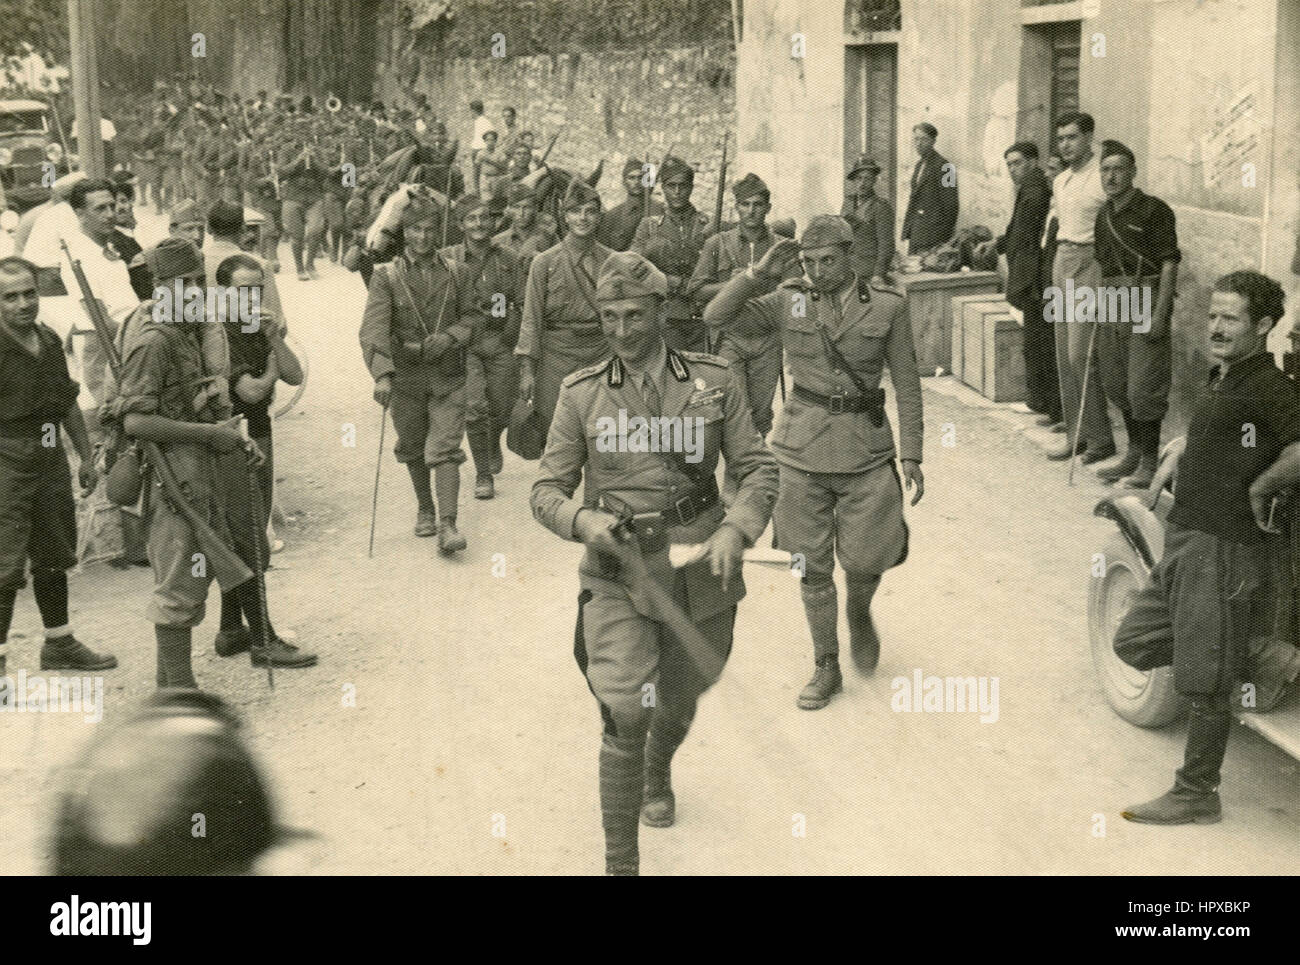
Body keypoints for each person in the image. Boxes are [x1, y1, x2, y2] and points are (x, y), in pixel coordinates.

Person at [532, 250, 778, 875]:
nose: (619, 331)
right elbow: (546, 490)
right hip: (618, 571)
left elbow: (756, 469)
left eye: (633, 316)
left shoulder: (715, 380)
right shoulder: (581, 394)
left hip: (700, 567)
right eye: (608, 317)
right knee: (624, 708)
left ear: (661, 312)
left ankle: (658, 764)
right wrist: (582, 520)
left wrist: (736, 529)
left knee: (679, 699)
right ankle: (622, 865)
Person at [704, 216, 924, 710]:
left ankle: (860, 610)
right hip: (800, 448)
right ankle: (826, 662)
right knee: (809, 563)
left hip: (866, 450)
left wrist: (911, 452)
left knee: (867, 561)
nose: (819, 271)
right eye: (809, 262)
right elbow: (716, 317)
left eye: (828, 261)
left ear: (850, 256)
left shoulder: (888, 307)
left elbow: (908, 384)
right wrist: (756, 274)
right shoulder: (791, 298)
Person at [1115, 271, 1300, 825]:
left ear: (1263, 326)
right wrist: (1181, 451)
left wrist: (1264, 484)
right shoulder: (1228, 377)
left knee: (1204, 676)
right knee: (1134, 639)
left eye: (1231, 318)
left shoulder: (1269, 386)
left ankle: (1197, 792)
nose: (1215, 327)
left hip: (1223, 549)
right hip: (1187, 540)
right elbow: (1224, 435)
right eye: (1213, 316)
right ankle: (1267, 655)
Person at [103, 238, 249, 689]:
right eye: (184, 284)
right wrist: (210, 435)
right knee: (178, 580)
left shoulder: (184, 332)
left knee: (195, 571)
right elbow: (137, 421)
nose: (195, 293)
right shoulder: (154, 341)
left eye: (198, 283)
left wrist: (230, 437)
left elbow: (190, 403)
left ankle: (174, 689)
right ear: (161, 286)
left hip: (197, 468)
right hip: (170, 477)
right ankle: (178, 691)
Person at [0, 257, 117, 677]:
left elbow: (66, 399)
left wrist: (85, 456)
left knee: (54, 552)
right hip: (7, 460)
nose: (22, 303)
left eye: (29, 293)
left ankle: (60, 643)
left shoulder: (48, 338)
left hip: (48, 454)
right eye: (9, 296)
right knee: (5, 566)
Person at [359, 196, 482, 552]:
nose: (423, 237)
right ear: (404, 233)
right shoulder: (387, 276)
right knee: (412, 445)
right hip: (406, 379)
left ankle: (448, 524)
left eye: (430, 230)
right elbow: (374, 328)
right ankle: (424, 507)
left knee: (445, 448)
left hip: (448, 375)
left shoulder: (459, 273)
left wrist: (449, 337)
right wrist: (381, 374)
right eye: (415, 230)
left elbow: (473, 318)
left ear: (439, 233)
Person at [211, 254, 315, 668]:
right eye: (244, 289)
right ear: (224, 292)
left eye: (258, 288)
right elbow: (253, 391)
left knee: (245, 532)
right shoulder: (220, 332)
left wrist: (273, 339)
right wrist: (271, 365)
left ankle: (231, 628)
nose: (253, 296)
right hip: (236, 434)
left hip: (259, 431)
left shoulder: (256, 326)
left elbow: (295, 375)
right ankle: (262, 638)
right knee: (250, 534)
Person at [1091, 139, 1179, 488]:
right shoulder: (1103, 214)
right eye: (1105, 170)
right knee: (1116, 381)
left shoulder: (1154, 210)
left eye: (1118, 170)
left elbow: (1170, 263)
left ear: (1132, 173)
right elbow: (1104, 265)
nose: (1111, 177)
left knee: (1144, 385)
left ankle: (1149, 459)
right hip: (1113, 299)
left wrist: (1160, 313)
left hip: (1145, 295)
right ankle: (1132, 451)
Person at [689, 172, 797, 441]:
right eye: (745, 204)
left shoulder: (781, 247)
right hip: (729, 338)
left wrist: (768, 282)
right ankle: (737, 476)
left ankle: (755, 471)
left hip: (767, 339)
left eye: (757, 204)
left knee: (761, 415)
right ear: (736, 207)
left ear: (768, 208)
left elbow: (795, 291)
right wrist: (734, 284)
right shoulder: (717, 244)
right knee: (735, 410)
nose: (751, 211)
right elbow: (697, 290)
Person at [440, 194, 524, 500]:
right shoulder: (447, 259)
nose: (479, 225)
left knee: (503, 405)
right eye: (471, 219)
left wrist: (510, 334)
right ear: (461, 225)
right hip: (466, 343)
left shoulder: (508, 257)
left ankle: (491, 442)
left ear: (493, 221)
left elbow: (519, 300)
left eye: (484, 218)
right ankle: (483, 473)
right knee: (475, 407)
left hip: (499, 340)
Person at [516, 180, 614, 436]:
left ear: (599, 216)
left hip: (601, 351)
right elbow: (531, 319)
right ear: (565, 216)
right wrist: (527, 371)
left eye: (590, 211)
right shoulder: (544, 262)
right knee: (557, 431)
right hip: (556, 355)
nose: (583, 218)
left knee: (602, 430)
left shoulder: (613, 261)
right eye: (575, 211)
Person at [1045, 111, 1115, 464]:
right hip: (1062, 258)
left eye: (1072, 137)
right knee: (1063, 353)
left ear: (1089, 137)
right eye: (1060, 139)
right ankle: (1077, 436)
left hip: (1090, 263)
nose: (1065, 145)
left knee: (1081, 354)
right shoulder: (1061, 180)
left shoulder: (1102, 176)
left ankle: (1102, 439)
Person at [992, 141, 1059, 426]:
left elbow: (1026, 237)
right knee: (1036, 342)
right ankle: (1045, 404)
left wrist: (1008, 252)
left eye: (1017, 163)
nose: (1012, 169)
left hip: (1035, 280)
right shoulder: (1029, 190)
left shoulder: (1035, 190)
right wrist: (998, 245)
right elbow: (1017, 232)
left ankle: (1052, 406)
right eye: (1008, 164)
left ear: (1033, 162)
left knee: (1042, 343)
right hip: (1030, 278)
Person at [630, 156, 714, 352]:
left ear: (691, 188)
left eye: (682, 186)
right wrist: (674, 283)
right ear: (663, 187)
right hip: (666, 317)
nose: (677, 192)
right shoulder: (649, 226)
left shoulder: (707, 225)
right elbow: (635, 267)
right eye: (671, 186)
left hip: (702, 317)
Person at [900, 122, 958, 255]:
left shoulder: (946, 167)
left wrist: (944, 240)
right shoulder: (919, 165)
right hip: (916, 233)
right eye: (916, 139)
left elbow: (951, 206)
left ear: (933, 141)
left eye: (924, 139)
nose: (919, 143)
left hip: (933, 238)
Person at [840, 155, 894, 283]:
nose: (862, 183)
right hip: (847, 270)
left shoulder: (881, 207)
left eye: (867, 179)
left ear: (874, 181)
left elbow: (886, 245)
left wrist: (879, 274)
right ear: (854, 180)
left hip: (868, 272)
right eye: (859, 178)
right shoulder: (847, 202)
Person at [596, 158, 663, 253]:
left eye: (640, 177)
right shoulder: (612, 216)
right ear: (623, 182)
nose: (636, 182)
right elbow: (601, 252)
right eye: (631, 178)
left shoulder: (660, 211)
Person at [492, 182, 557, 265]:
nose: (521, 213)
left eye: (527, 207)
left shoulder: (548, 237)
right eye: (516, 207)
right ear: (509, 210)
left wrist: (542, 261)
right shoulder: (499, 241)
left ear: (536, 209)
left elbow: (560, 270)